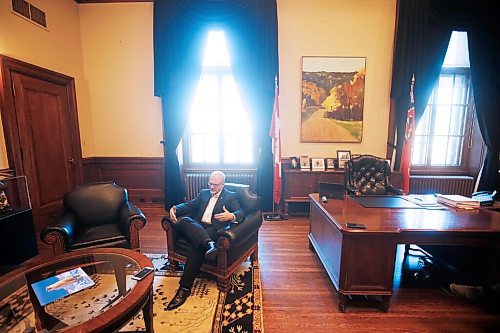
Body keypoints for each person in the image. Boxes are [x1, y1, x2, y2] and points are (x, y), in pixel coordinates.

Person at [166, 171, 245, 310]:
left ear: (222, 184)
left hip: (212, 229)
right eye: (210, 183)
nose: (212, 187)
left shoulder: (230, 196)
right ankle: (209, 244)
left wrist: (231, 215)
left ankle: (184, 288)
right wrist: (174, 209)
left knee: (196, 247)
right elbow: (189, 205)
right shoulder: (204, 193)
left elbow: (241, 213)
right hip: (197, 226)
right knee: (184, 220)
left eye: (215, 185)